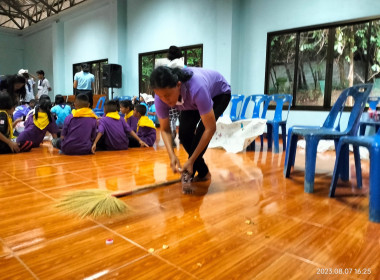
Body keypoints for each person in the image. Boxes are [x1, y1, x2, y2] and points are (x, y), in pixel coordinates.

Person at [150, 66, 231, 188]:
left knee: (201, 131)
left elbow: (210, 128)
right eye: (160, 96)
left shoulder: (197, 88)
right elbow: (165, 130)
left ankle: (193, 167)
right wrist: (172, 155)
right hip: (191, 100)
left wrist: (191, 160)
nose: (164, 100)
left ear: (178, 85)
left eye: (167, 95)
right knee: (184, 134)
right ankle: (203, 172)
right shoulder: (161, 97)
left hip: (219, 94)